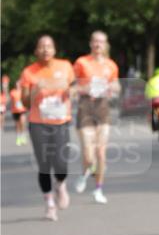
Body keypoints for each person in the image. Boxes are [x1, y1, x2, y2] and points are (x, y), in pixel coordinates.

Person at [18, 35, 75, 221]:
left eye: (49, 46)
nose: (45, 49)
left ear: (54, 49)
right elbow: (25, 102)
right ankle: (49, 203)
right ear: (36, 51)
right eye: (41, 46)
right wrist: (36, 89)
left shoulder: (65, 66)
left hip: (60, 121)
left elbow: (74, 88)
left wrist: (70, 91)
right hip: (38, 122)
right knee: (43, 164)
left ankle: (60, 183)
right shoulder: (29, 72)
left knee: (60, 162)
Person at [73, 31, 120, 204]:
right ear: (90, 43)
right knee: (88, 153)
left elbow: (117, 84)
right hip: (85, 109)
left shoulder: (111, 65)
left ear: (106, 45)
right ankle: (85, 172)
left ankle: (98, 189)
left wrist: (112, 87)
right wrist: (86, 89)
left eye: (101, 42)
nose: (98, 45)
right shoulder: (81, 62)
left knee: (101, 153)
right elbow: (72, 86)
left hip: (102, 109)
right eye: (95, 41)